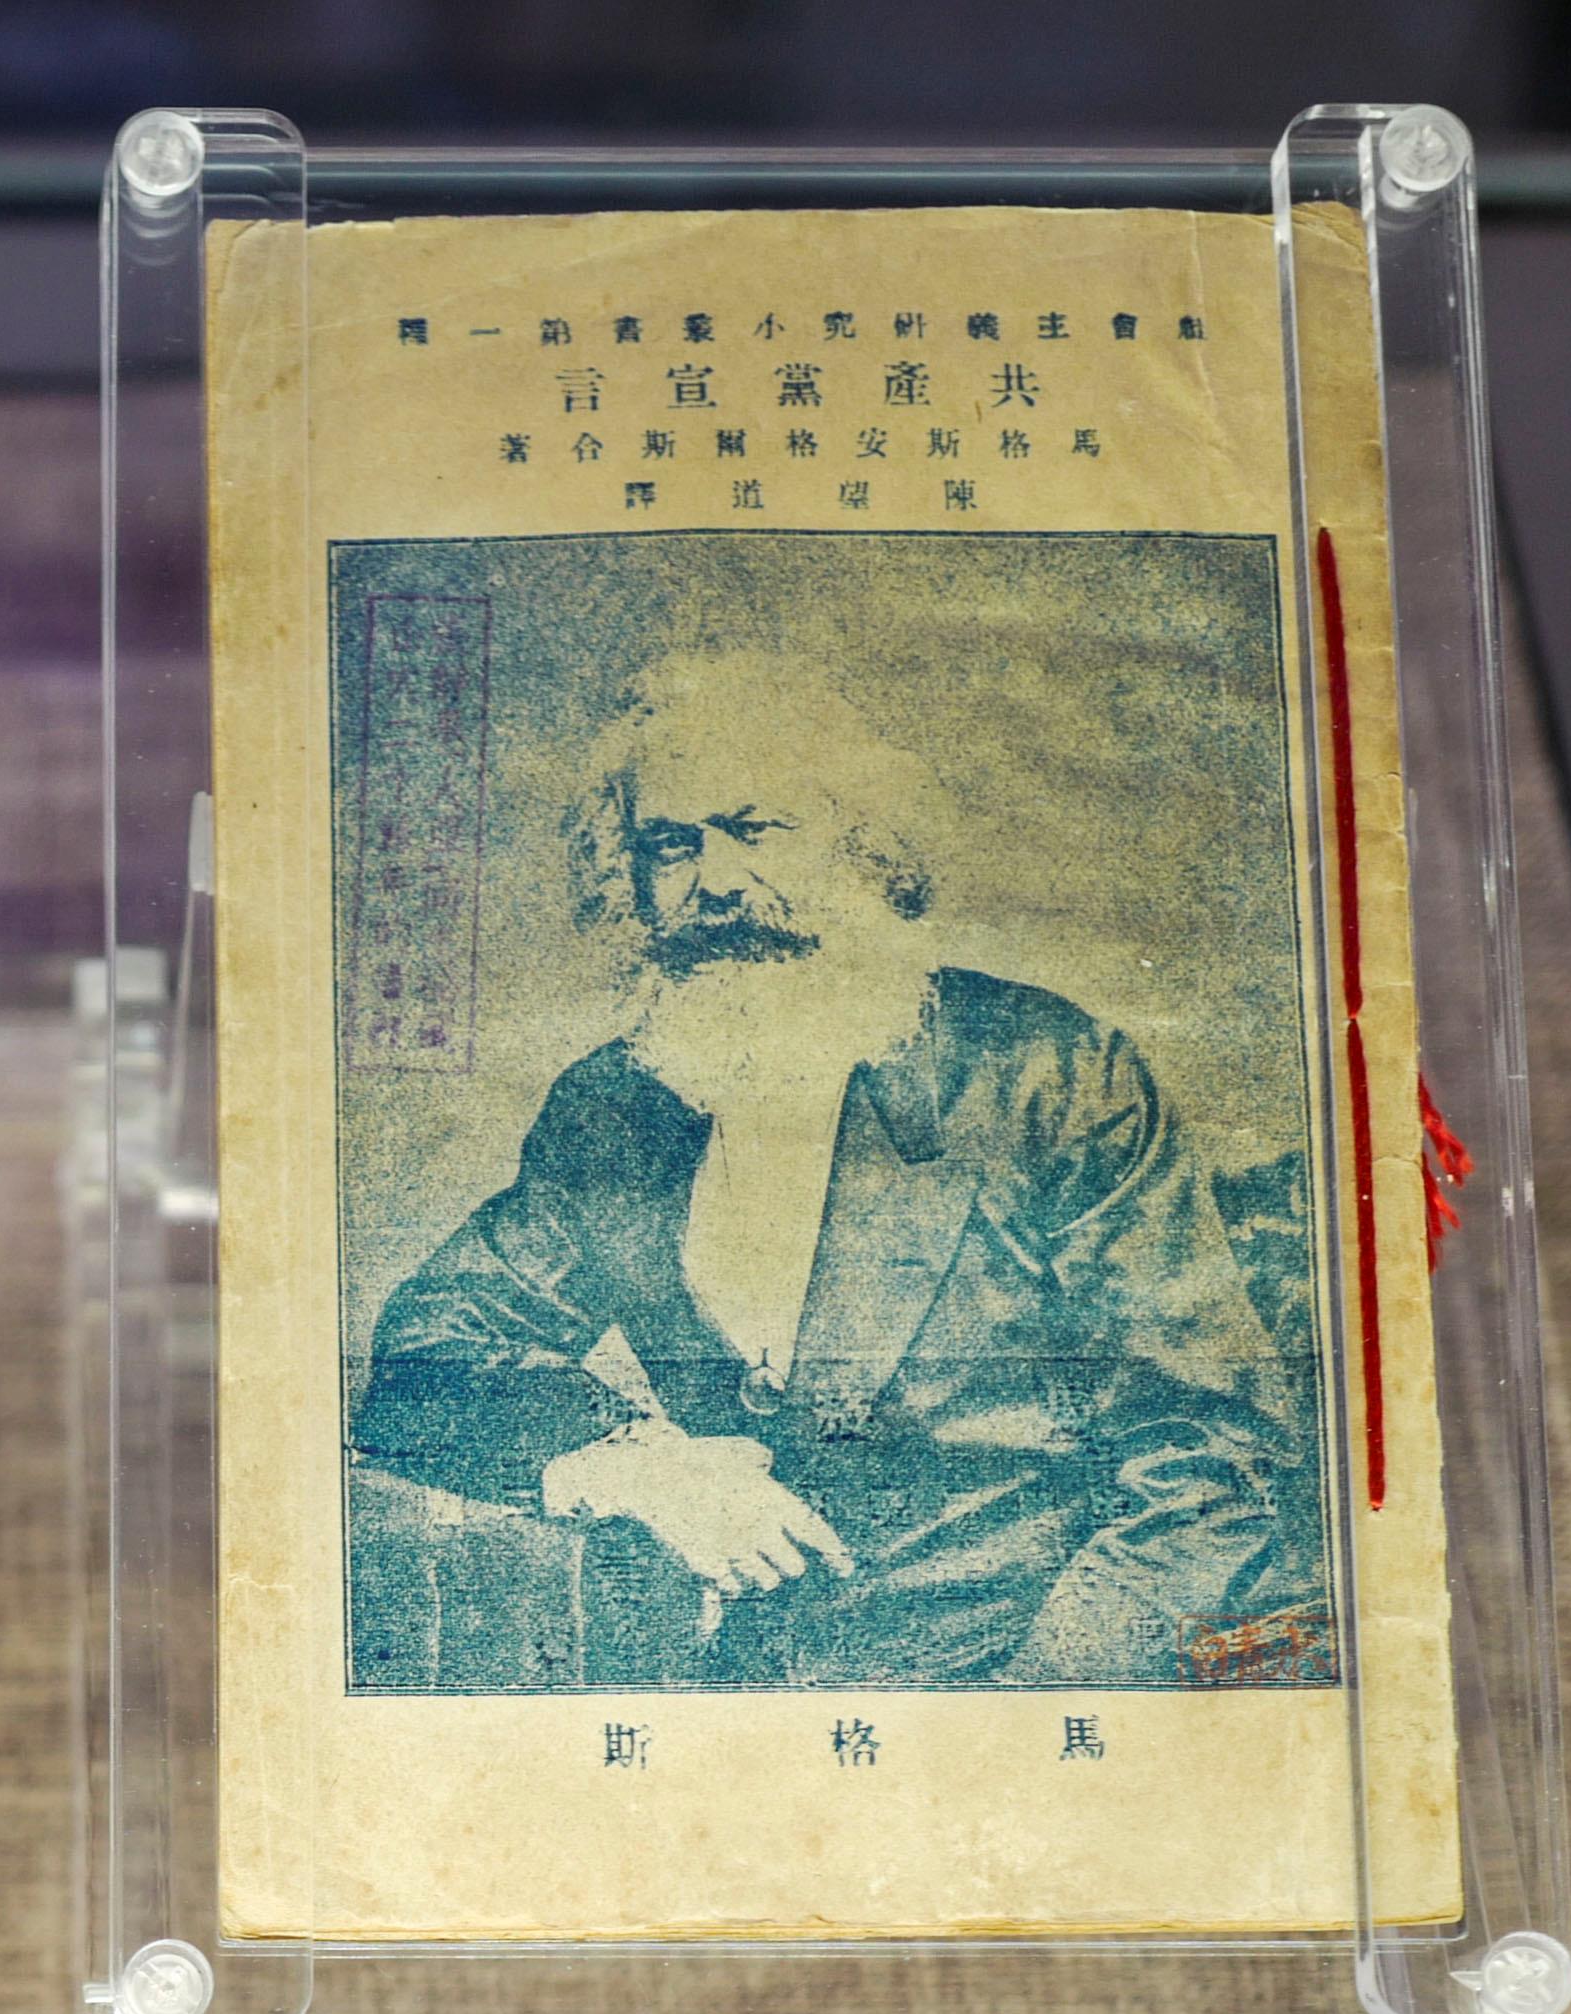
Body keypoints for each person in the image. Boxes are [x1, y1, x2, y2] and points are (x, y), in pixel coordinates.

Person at [348, 667, 1329, 1693]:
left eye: (755, 829)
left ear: (862, 848)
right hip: (758, 1684)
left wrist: (1023, 1722)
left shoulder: (1043, 1071)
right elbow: (427, 1355)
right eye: (670, 844)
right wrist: (641, 1464)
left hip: (1029, 1672)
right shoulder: (616, 1108)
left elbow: (1217, 1464)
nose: (715, 884)